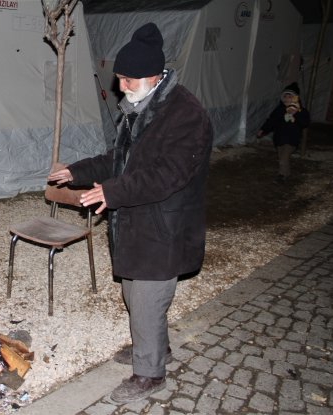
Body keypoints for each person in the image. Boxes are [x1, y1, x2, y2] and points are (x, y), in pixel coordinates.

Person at [47, 23, 213, 403]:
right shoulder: (139, 106)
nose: (121, 86)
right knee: (133, 293)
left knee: (147, 298)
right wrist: (78, 171)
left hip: (164, 225)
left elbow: (168, 174)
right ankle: (156, 347)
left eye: (127, 79)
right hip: (137, 221)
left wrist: (113, 190)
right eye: (119, 78)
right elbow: (116, 158)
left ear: (154, 75)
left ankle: (150, 373)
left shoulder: (186, 115)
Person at [256, 82, 310, 183]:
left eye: (290, 96)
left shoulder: (301, 111)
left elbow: (305, 123)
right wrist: (263, 129)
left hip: (292, 139)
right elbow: (271, 121)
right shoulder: (279, 110)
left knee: (284, 158)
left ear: (295, 98)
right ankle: (286, 173)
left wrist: (296, 114)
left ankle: (282, 176)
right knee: (282, 157)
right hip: (279, 139)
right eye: (285, 96)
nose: (287, 99)